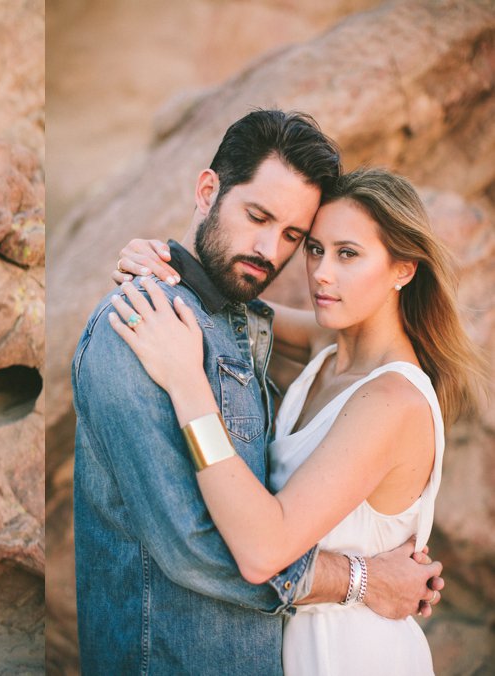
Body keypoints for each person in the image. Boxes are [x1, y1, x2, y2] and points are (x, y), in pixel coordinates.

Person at [72, 111, 446, 675]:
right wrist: (363, 579)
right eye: (259, 216)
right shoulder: (150, 327)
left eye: (295, 236)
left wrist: (186, 370)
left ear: (402, 270)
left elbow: (257, 318)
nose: (275, 251)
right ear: (207, 191)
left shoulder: (379, 391)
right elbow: (193, 546)